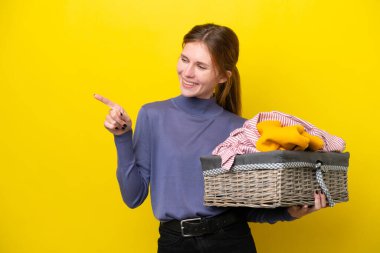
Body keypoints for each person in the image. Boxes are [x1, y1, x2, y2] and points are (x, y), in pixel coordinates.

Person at [94, 23, 327, 253]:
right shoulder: (153, 115)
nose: (187, 72)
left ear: (223, 77)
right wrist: (123, 137)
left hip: (230, 241)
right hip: (175, 243)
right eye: (184, 59)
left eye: (201, 66)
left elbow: (243, 208)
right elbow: (133, 196)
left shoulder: (240, 130)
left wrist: (288, 213)